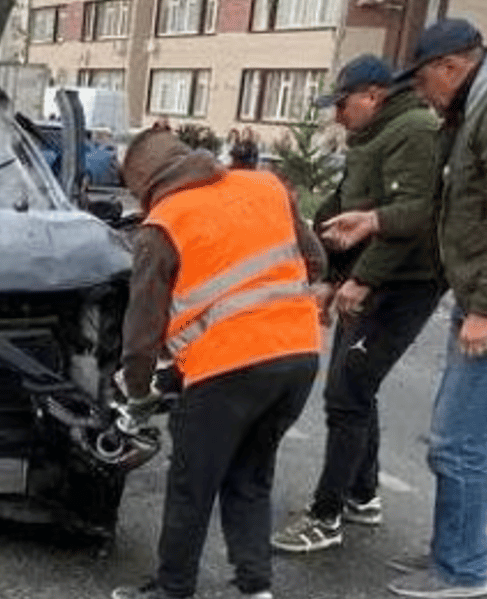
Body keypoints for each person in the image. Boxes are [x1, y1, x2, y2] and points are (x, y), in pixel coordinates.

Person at [324, 19, 487, 598]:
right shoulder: (485, 100)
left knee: (458, 440)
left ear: (450, 67)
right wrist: (375, 219)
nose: (421, 95)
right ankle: (450, 551)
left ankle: (463, 571)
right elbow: (458, 202)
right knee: (449, 433)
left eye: (423, 81)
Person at [109, 128, 325, 599]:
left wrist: (140, 392)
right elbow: (316, 262)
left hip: (226, 371)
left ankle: (173, 589)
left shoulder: (163, 225)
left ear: (143, 180)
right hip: (298, 355)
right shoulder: (264, 185)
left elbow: (142, 334)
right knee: (250, 476)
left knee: (192, 485)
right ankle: (256, 588)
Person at [270, 54, 443, 554]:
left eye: (342, 105)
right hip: (372, 280)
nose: (337, 116)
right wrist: (328, 274)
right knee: (354, 387)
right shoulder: (371, 136)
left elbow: (411, 218)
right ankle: (363, 496)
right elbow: (345, 211)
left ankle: (326, 516)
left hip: (405, 282)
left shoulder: (413, 131)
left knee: (347, 394)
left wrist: (362, 281)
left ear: (372, 95)